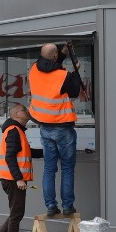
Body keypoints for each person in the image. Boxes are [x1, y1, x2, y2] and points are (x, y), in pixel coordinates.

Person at [28, 42, 81, 216]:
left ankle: (51, 205)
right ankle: (67, 206)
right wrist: (75, 72)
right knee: (67, 167)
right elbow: (73, 92)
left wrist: (62, 55)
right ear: (55, 56)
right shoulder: (64, 75)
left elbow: (48, 69)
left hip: (45, 127)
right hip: (63, 127)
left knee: (49, 168)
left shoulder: (34, 69)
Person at [0, 103, 41, 232]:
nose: (27, 112)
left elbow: (27, 153)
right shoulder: (14, 130)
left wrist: (49, 151)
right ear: (16, 115)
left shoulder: (17, 131)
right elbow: (10, 157)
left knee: (15, 213)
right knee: (16, 214)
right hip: (13, 180)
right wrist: (19, 179)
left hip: (12, 179)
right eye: (23, 110)